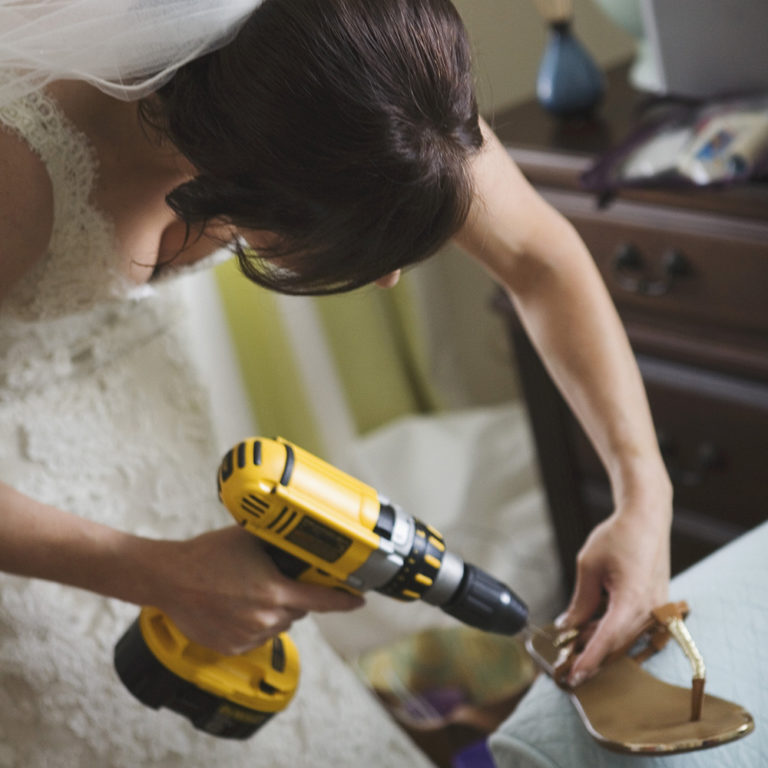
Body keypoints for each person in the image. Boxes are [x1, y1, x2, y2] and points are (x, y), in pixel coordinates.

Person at [0, 0, 672, 764]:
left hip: (170, 485)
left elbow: (540, 260)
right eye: (351, 247)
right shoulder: (19, 164)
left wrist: (644, 491)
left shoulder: (368, 81)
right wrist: (151, 571)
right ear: (247, 181)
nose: (384, 276)